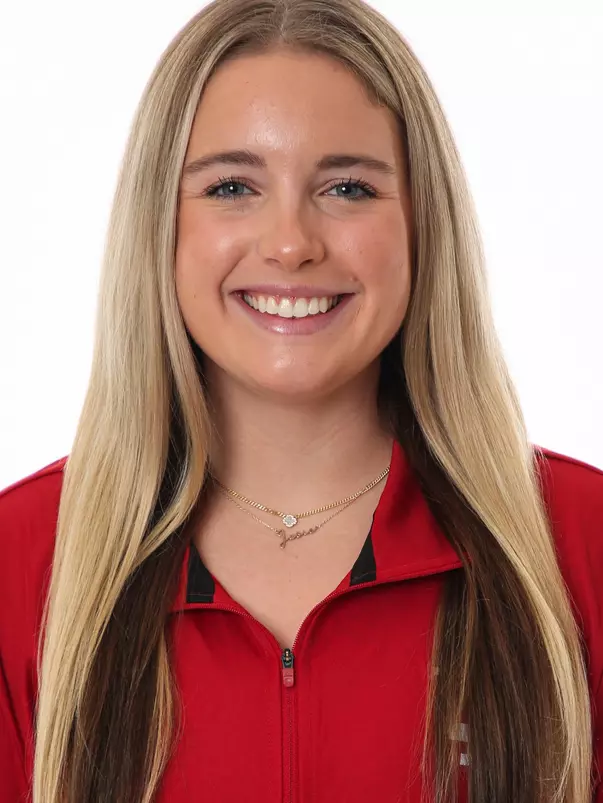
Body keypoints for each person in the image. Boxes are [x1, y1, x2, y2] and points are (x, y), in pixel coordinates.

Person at [0, 0, 602, 801]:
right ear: (160, 225)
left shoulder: (582, 540)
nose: (290, 242)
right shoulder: (21, 561)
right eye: (231, 186)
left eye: (349, 186)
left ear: (423, 224)